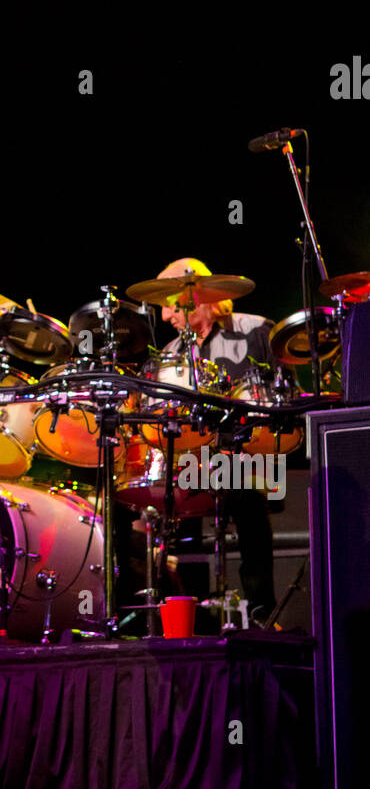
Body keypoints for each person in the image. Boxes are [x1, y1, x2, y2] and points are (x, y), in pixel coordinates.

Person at [155, 257, 278, 624]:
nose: (163, 316)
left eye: (166, 303)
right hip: (189, 462)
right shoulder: (170, 354)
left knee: (245, 482)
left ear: (196, 295)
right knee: (154, 496)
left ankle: (260, 612)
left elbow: (280, 398)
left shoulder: (256, 331)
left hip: (248, 454)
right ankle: (183, 615)